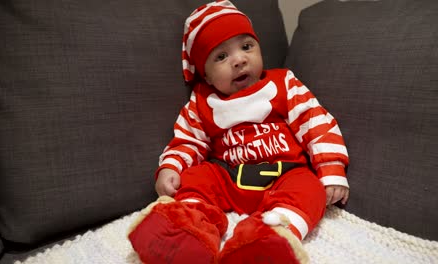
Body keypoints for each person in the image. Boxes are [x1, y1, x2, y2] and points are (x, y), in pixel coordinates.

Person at [128, 1, 349, 263]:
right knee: (197, 178)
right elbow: (187, 141)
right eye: (221, 57)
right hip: (227, 176)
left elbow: (315, 123)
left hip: (285, 173)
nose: (239, 60)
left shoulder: (284, 83)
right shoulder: (201, 102)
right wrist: (171, 168)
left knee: (310, 187)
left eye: (247, 47)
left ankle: (272, 234)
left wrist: (332, 167)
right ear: (206, 76)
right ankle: (187, 229)